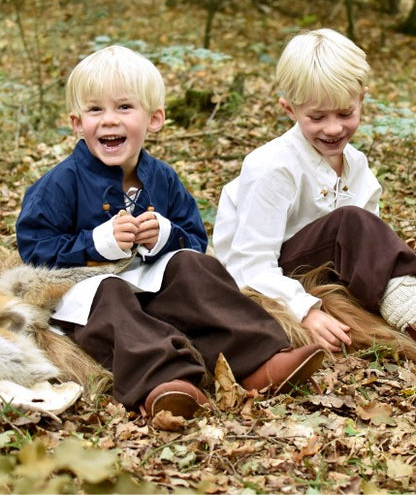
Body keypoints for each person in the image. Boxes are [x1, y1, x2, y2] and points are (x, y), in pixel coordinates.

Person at [16, 45, 325, 420]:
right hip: (86, 292)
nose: (109, 120)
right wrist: (95, 242)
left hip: (150, 280)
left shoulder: (162, 178)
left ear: (155, 119)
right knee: (111, 292)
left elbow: (194, 238)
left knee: (195, 266)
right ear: (78, 123)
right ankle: (167, 379)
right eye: (95, 110)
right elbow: (34, 249)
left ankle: (258, 357)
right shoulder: (60, 183)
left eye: (124, 107)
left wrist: (164, 235)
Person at [213, 28, 416, 354]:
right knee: (352, 221)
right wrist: (305, 310)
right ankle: (408, 308)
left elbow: (369, 251)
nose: (334, 128)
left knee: (362, 226)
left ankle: (404, 302)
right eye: (317, 117)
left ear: (361, 100)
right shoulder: (273, 167)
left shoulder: (357, 165)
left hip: (331, 275)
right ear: (289, 109)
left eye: (345, 113)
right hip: (274, 277)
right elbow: (249, 264)